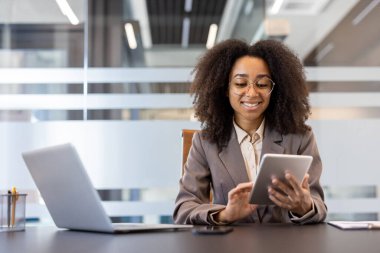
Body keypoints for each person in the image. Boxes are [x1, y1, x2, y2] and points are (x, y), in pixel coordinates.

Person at [173, 39, 327, 225]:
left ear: (274, 90)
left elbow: (318, 207)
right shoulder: (205, 143)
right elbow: (183, 209)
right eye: (240, 83)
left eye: (262, 84)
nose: (252, 93)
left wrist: (304, 206)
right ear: (225, 89)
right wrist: (225, 214)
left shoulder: (301, 138)